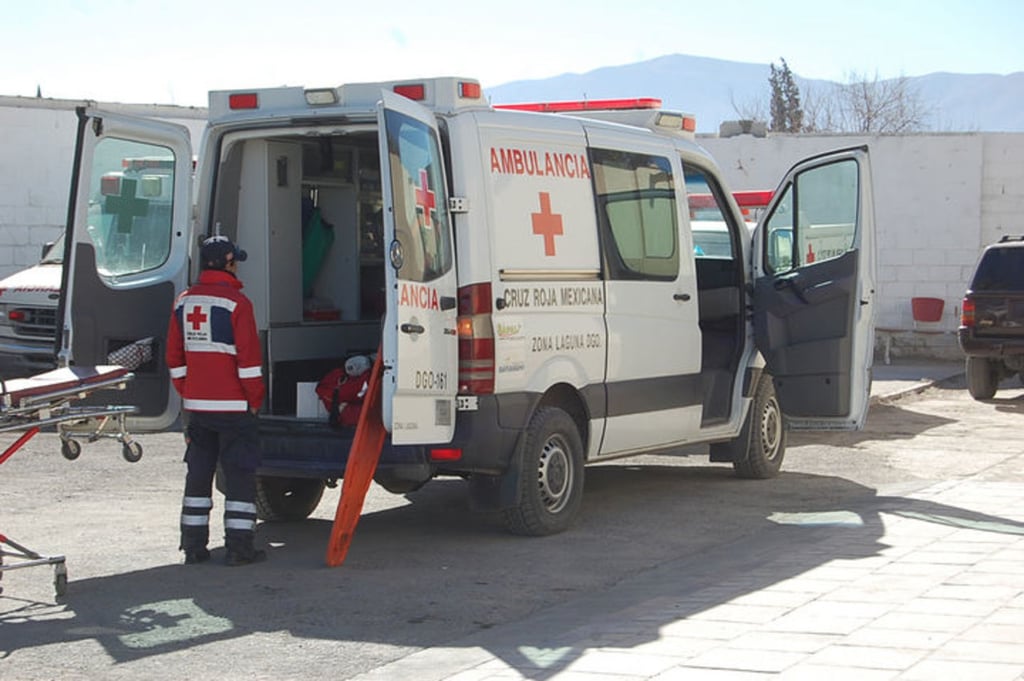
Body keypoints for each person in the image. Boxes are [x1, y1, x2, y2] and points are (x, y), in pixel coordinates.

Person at [166, 234, 267, 566]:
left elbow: (175, 356)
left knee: (198, 474)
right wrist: (255, 400)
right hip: (235, 407)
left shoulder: (184, 302)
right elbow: (249, 362)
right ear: (229, 262)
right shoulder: (238, 304)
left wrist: (188, 389)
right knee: (239, 475)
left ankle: (193, 547)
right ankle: (239, 548)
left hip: (198, 407)